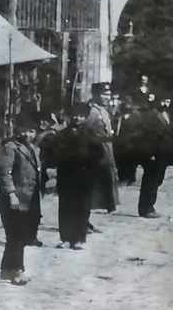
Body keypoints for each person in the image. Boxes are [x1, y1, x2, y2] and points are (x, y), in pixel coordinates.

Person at [0, 112, 42, 285]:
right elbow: (3, 173)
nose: (27, 134)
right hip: (13, 201)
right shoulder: (10, 147)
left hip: (29, 200)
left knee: (19, 236)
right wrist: (11, 194)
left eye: (31, 131)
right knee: (16, 236)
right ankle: (16, 271)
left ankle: (7, 270)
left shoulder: (35, 149)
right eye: (24, 130)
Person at [52, 104, 99, 250]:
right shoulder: (63, 134)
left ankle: (79, 238)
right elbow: (55, 153)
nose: (77, 118)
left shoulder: (91, 134)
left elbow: (99, 155)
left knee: (82, 207)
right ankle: (65, 238)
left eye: (81, 116)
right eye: (75, 115)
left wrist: (90, 166)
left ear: (85, 117)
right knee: (65, 207)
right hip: (66, 175)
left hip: (84, 177)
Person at [123, 98, 170, 218]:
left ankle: (149, 206)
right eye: (164, 101)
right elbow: (150, 135)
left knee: (156, 180)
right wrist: (151, 153)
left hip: (161, 153)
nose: (165, 103)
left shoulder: (162, 115)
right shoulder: (150, 116)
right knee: (150, 180)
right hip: (152, 153)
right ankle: (146, 208)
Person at [84, 82, 120, 220]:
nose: (107, 97)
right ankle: (83, 222)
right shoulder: (91, 112)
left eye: (108, 94)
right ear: (95, 95)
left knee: (100, 186)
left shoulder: (103, 111)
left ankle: (86, 221)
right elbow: (86, 134)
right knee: (90, 187)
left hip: (105, 153)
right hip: (95, 154)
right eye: (104, 94)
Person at [114, 93, 138, 186]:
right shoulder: (120, 116)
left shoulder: (135, 116)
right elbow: (116, 128)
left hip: (132, 143)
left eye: (129, 104)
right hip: (121, 142)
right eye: (125, 104)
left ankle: (131, 178)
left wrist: (133, 137)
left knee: (131, 161)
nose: (127, 105)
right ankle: (122, 177)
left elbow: (139, 129)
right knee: (121, 160)